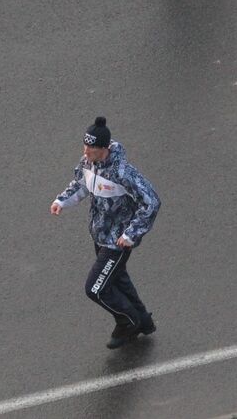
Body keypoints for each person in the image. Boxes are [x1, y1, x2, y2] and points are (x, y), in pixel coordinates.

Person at [51, 116, 161, 348]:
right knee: (118, 281)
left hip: (117, 243)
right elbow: (80, 186)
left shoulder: (123, 173)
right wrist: (62, 201)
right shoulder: (87, 163)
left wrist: (131, 234)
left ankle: (128, 322)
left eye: (91, 147)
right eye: (85, 145)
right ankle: (143, 321)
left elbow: (151, 202)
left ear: (104, 148)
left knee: (96, 288)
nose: (86, 150)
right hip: (99, 236)